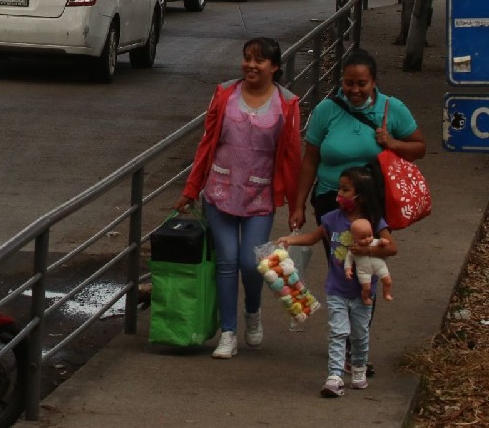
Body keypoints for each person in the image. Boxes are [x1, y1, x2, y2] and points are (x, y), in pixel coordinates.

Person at [175, 37, 302, 359]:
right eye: (247, 58)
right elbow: (207, 144)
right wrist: (191, 189)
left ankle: (253, 311)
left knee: (252, 261)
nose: (251, 66)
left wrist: (296, 204)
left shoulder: (286, 103)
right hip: (219, 192)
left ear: (274, 67)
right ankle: (228, 333)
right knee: (228, 261)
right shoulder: (224, 95)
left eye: (259, 61)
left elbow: (290, 156)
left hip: (260, 196)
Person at [276, 167, 397, 397]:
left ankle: (359, 368)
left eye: (345, 189)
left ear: (360, 196)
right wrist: (290, 240)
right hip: (336, 289)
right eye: (339, 188)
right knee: (337, 331)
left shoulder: (373, 221)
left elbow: (392, 247)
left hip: (363, 291)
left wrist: (367, 250)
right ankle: (334, 376)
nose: (339, 195)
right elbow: (313, 237)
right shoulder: (332, 218)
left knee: (360, 333)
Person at [289, 48, 426, 232]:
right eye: (349, 83)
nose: (355, 90)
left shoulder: (391, 108)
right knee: (338, 258)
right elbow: (310, 161)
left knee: (369, 259)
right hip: (331, 200)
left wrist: (393, 143)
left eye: (362, 84)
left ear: (373, 82)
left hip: (373, 202)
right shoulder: (326, 110)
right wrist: (299, 206)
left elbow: (420, 148)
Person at [344, 218, 393, 305]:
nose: (367, 239)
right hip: (363, 271)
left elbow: (382, 243)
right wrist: (348, 270)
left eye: (370, 235)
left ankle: (386, 293)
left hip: (379, 267)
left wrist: (383, 241)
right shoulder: (353, 249)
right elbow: (348, 260)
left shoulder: (374, 242)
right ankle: (365, 298)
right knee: (366, 288)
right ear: (354, 237)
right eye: (362, 238)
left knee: (388, 281)